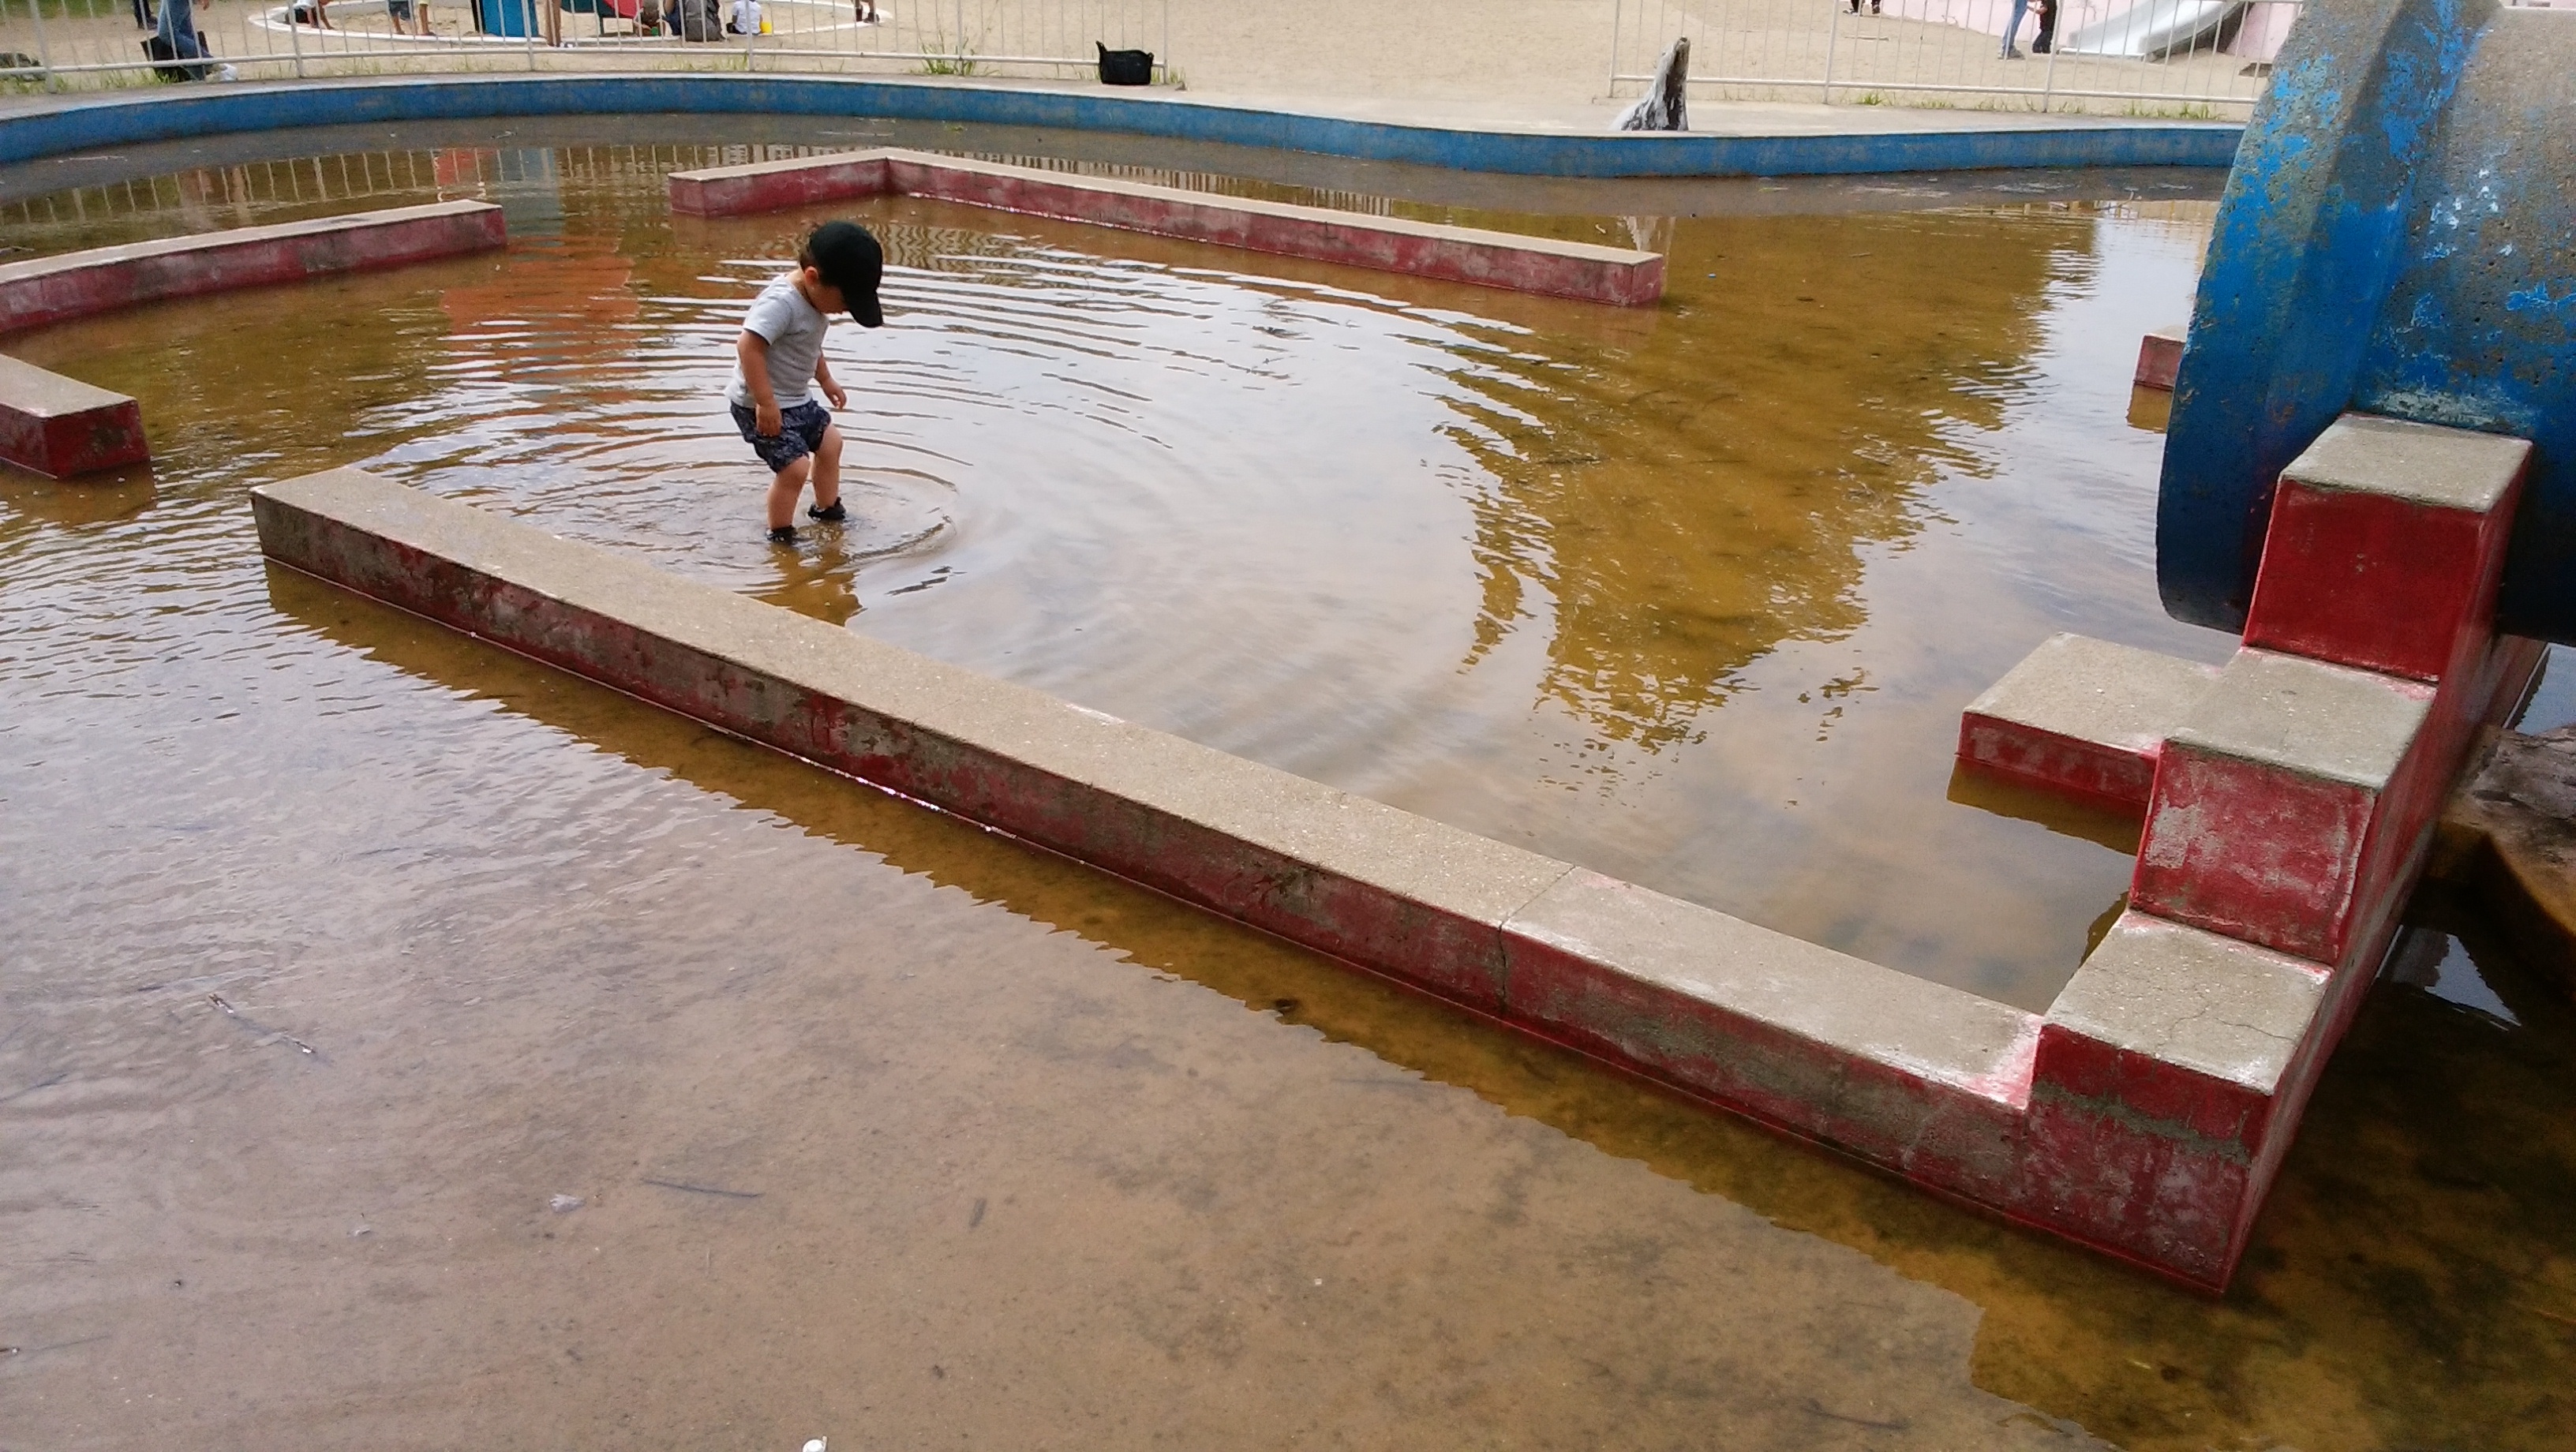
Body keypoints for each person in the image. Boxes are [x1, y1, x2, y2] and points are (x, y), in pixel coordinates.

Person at [728, 221, 886, 544]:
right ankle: (781, 533)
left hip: (797, 398)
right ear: (813, 277)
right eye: (845, 304)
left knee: (831, 444)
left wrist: (826, 379)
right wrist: (766, 401)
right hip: (760, 404)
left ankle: (826, 510)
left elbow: (809, 347)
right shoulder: (781, 304)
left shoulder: (816, 301)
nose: (844, 312)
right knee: (795, 468)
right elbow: (749, 347)